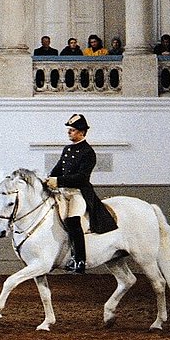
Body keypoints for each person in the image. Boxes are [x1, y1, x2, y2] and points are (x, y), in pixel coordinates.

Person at [46, 114, 111, 274]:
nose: (69, 133)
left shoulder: (88, 152)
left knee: (73, 221)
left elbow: (81, 177)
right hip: (62, 192)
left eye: (72, 130)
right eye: (69, 130)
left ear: (81, 133)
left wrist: (58, 181)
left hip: (78, 193)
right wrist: (49, 179)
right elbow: (58, 168)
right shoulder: (67, 149)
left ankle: (80, 260)